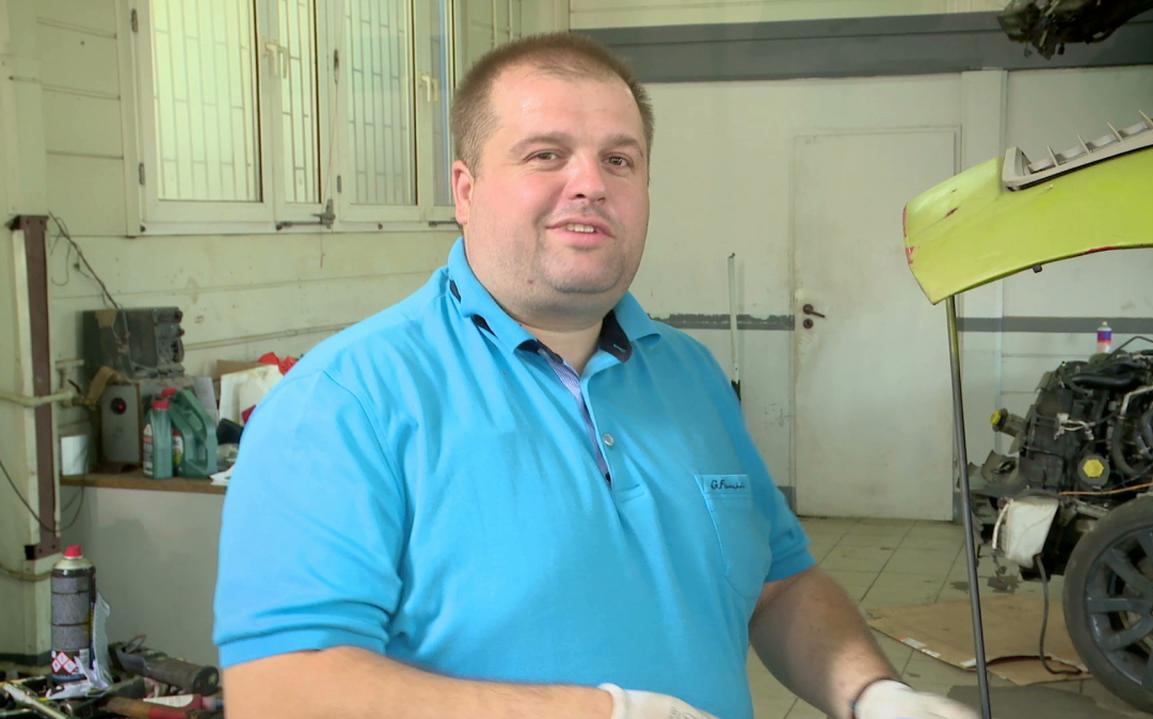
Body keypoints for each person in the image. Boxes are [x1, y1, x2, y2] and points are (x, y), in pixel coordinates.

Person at [214, 32, 978, 719]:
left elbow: (779, 585)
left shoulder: (689, 375)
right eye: (546, 154)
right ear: (466, 189)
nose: (591, 183)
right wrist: (603, 712)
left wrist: (874, 693)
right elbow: (279, 690)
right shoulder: (343, 403)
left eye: (619, 159)